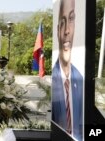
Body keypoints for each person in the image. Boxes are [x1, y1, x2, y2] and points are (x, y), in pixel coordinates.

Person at [52, 0, 83, 140]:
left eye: (71, 19)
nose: (67, 31)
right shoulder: (53, 78)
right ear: (58, 30)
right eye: (63, 22)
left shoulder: (80, 79)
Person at [0, 56, 9, 127]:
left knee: (5, 121)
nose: (1, 64)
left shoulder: (8, 73)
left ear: (6, 63)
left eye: (3, 62)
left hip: (6, 100)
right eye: (0, 62)